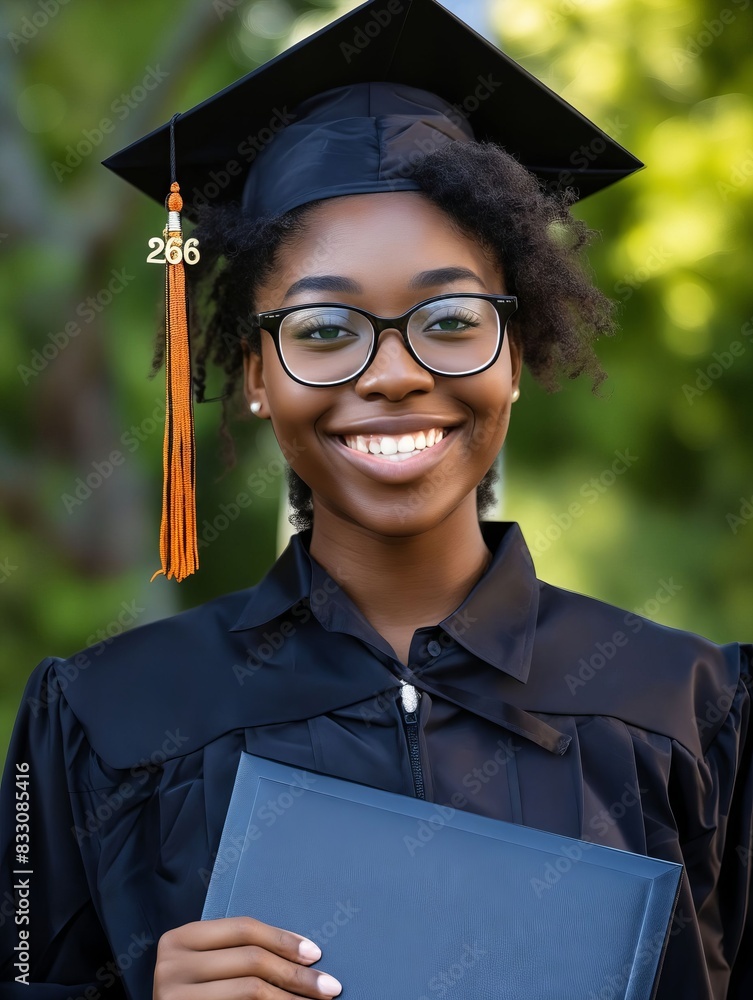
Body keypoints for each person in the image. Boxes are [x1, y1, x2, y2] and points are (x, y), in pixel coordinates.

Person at [1, 0, 751, 998]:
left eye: (448, 318)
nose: (394, 372)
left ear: (515, 353)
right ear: (254, 370)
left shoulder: (688, 711)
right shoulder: (108, 716)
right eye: (323, 329)